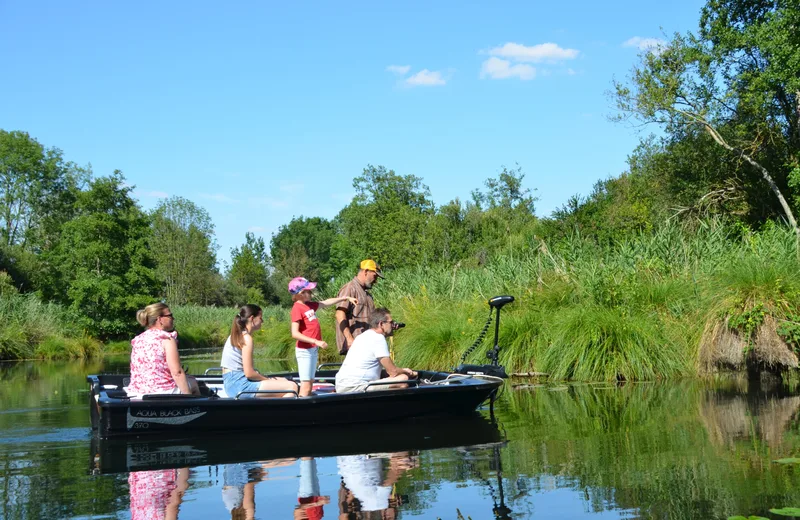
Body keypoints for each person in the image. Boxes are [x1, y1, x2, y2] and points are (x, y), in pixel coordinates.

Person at [289, 277, 358, 397]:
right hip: (304, 351)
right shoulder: (297, 308)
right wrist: (316, 341)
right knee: (305, 387)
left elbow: (326, 302)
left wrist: (345, 298)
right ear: (301, 294)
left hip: (312, 349)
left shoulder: (309, 305)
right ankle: (299, 412)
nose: (311, 293)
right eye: (309, 291)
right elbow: (295, 333)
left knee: (310, 384)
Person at [221, 304, 298, 398]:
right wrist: (268, 380)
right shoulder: (246, 338)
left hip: (231, 384)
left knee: (284, 381)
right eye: (260, 318)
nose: (262, 321)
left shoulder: (235, 336)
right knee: (292, 386)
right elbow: (249, 373)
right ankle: (278, 412)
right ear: (252, 318)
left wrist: (270, 379)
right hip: (240, 385)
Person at [335, 308, 417, 393]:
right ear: (381, 324)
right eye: (391, 322)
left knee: (388, 375)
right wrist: (407, 371)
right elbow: (393, 372)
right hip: (355, 387)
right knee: (403, 379)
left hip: (342, 385)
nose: (393, 325)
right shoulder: (378, 338)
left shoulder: (363, 336)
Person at [126, 302, 200, 397]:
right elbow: (177, 372)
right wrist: (188, 397)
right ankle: (195, 409)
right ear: (159, 319)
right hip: (162, 393)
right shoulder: (166, 339)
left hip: (135, 394)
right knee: (192, 382)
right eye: (170, 315)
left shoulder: (138, 340)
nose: (173, 318)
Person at [335, 259, 383, 355]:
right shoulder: (350, 288)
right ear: (365, 272)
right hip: (354, 344)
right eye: (375, 276)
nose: (376, 281)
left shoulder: (368, 295)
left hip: (366, 345)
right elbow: (339, 314)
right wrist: (349, 339)